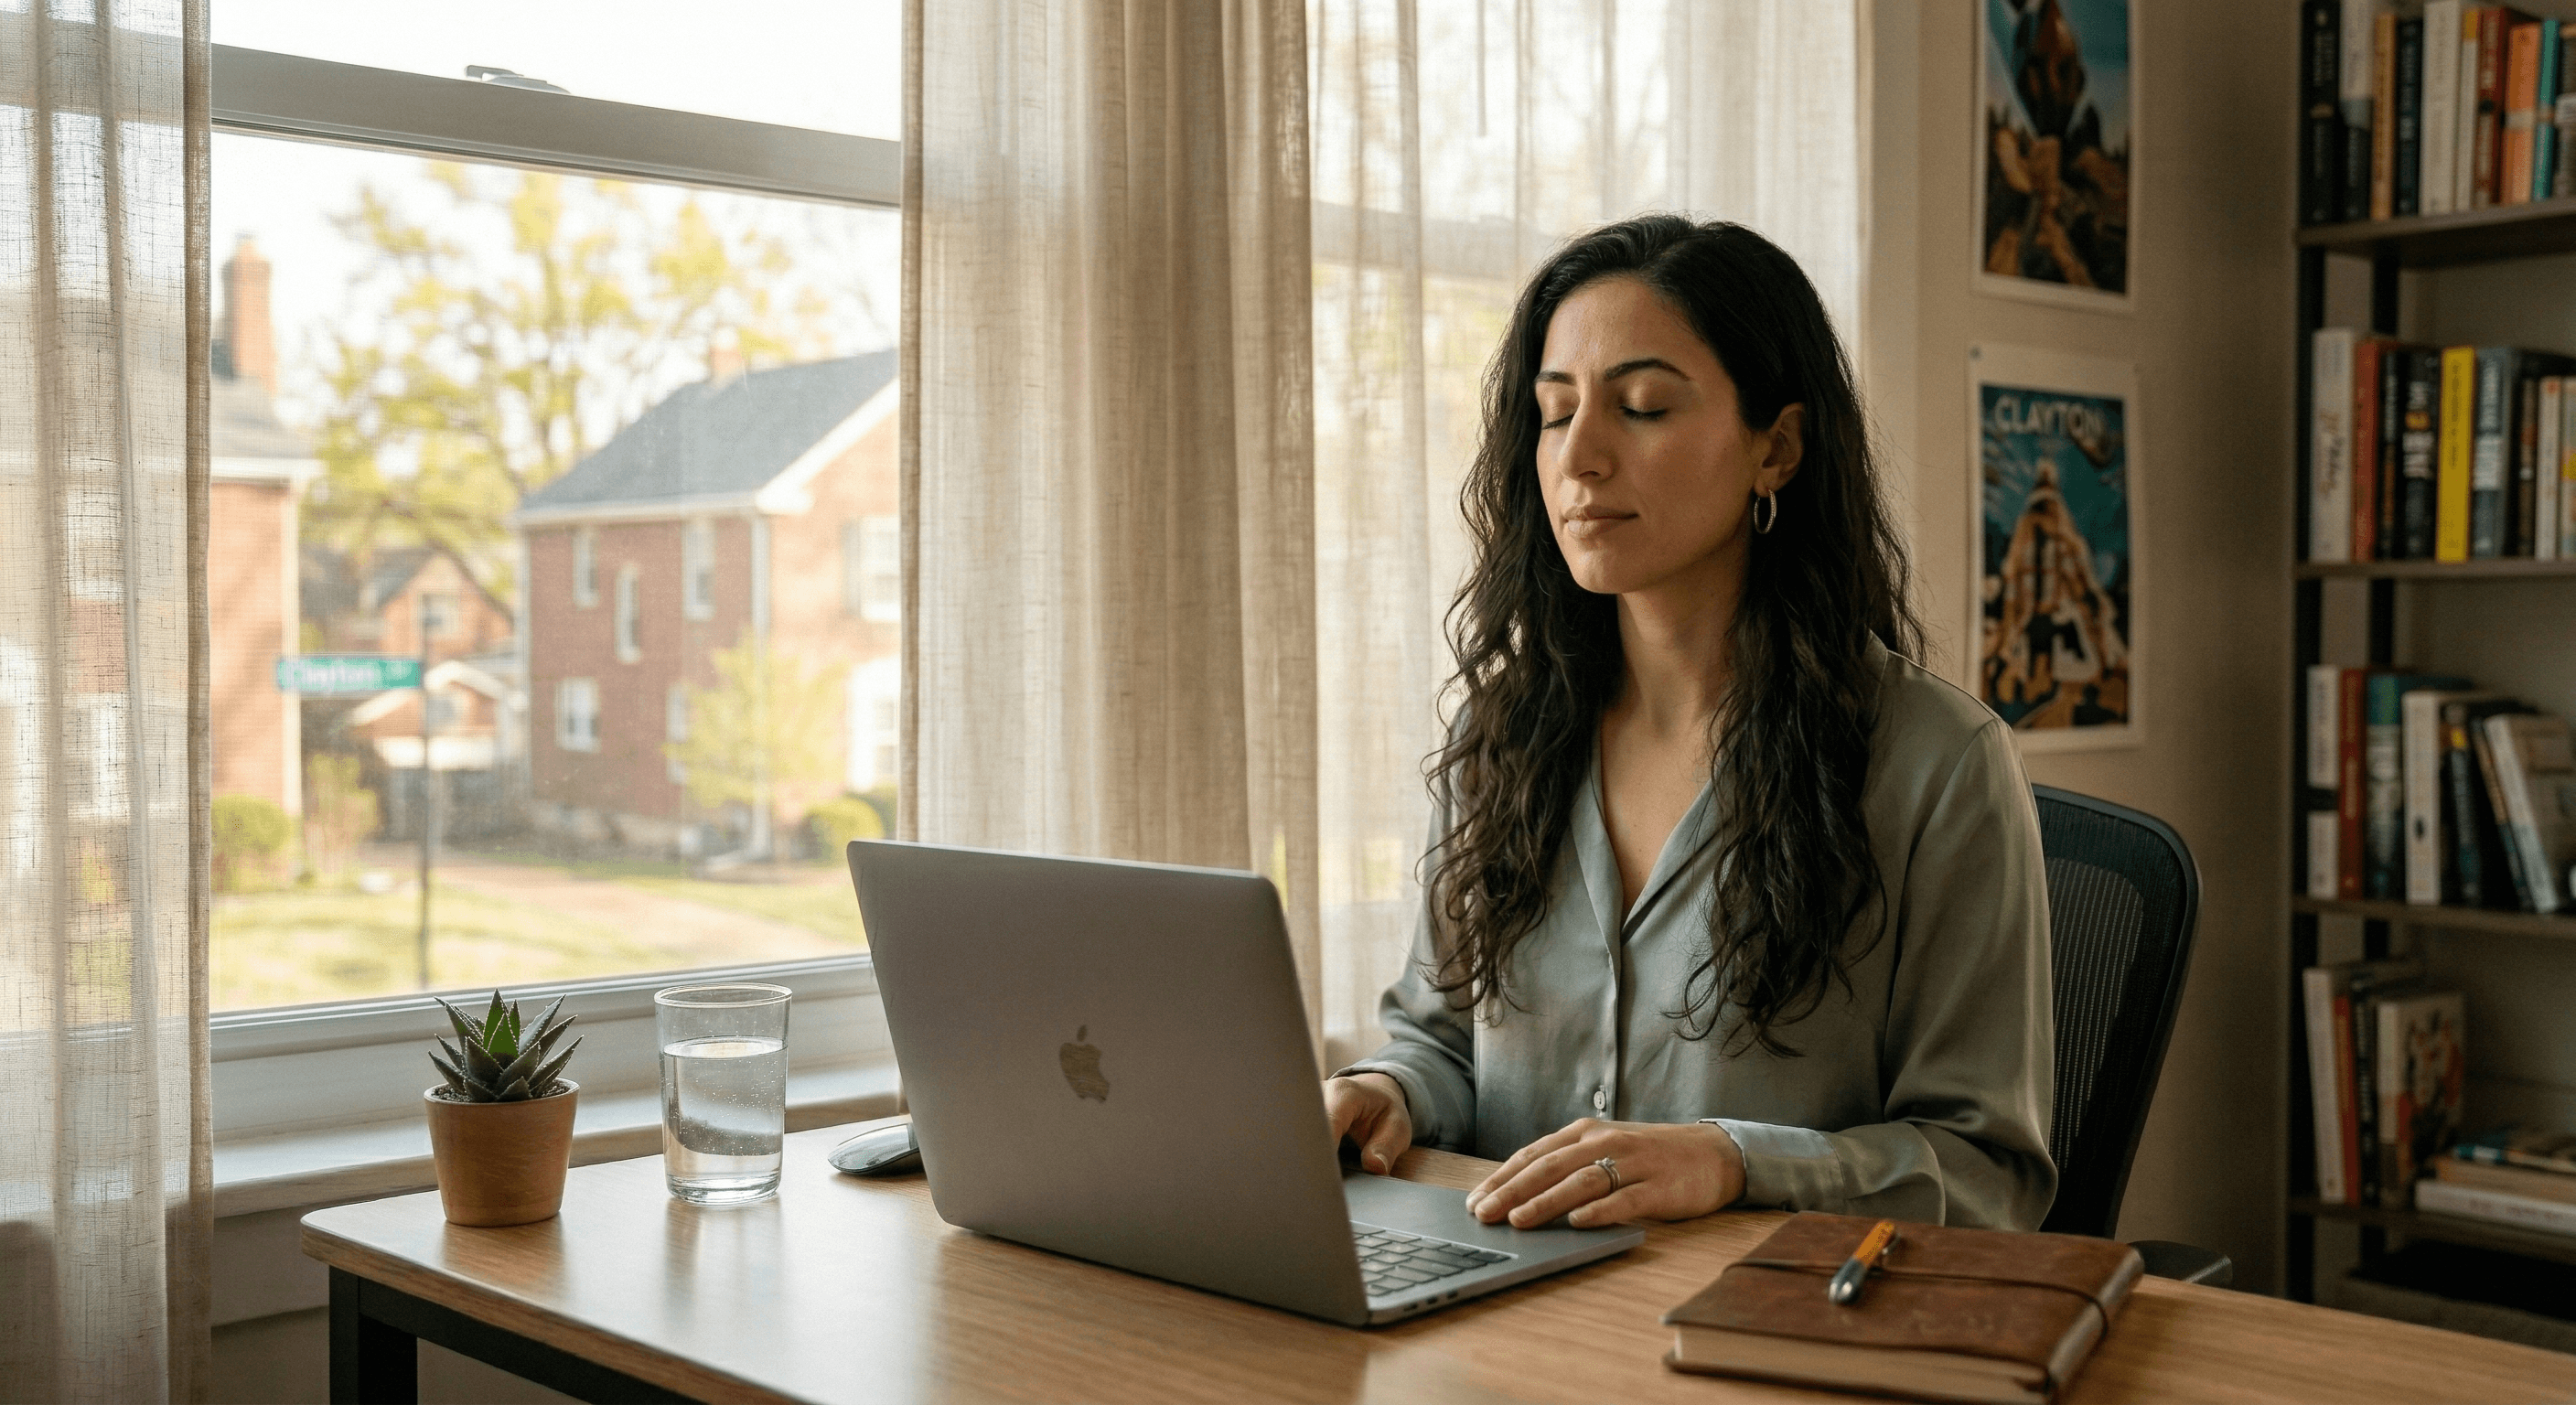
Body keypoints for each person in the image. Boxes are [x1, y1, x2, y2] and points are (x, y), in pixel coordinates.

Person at [1324, 216, 2055, 1233]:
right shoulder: (1503, 738)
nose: (1578, 457)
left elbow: (1986, 1177)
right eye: (1552, 412)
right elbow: (1442, 1042)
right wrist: (1385, 1093)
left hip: (1765, 1341)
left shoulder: (1938, 768)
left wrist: (1734, 1163)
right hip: (1507, 1324)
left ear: (1777, 448)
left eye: (1641, 406)